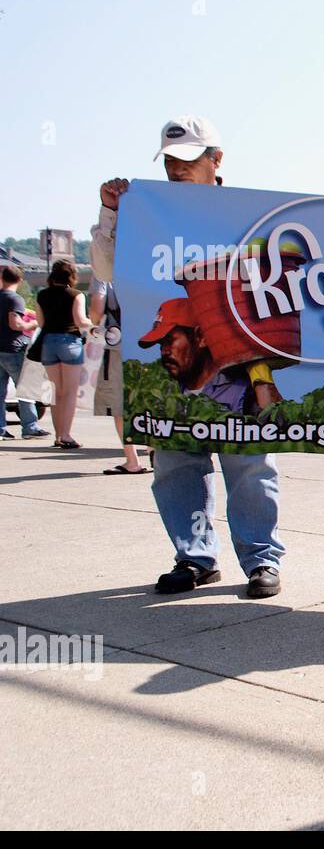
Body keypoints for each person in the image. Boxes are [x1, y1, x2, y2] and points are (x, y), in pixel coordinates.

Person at [92, 115, 284, 599]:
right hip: (174, 366)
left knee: (251, 468)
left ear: (216, 160)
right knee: (176, 467)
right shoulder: (148, 211)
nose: (177, 169)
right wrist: (112, 214)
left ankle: (261, 559)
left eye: (187, 159)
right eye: (170, 161)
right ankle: (195, 557)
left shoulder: (250, 213)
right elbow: (106, 268)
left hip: (238, 368)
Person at [87, 273, 148, 474]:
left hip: (117, 341)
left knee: (119, 403)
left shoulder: (104, 273)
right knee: (147, 396)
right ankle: (155, 447)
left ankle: (132, 460)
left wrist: (95, 323)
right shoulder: (140, 264)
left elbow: (97, 305)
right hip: (147, 339)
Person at [33, 260, 91, 449]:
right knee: (70, 393)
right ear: (71, 276)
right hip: (70, 342)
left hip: (48, 343)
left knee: (56, 393)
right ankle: (66, 434)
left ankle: (59, 435)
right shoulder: (76, 295)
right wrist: (95, 324)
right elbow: (80, 321)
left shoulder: (41, 295)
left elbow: (41, 323)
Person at [0, 266, 50, 440]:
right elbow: (16, 324)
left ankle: (1, 428)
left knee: (1, 392)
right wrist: (34, 323)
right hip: (13, 348)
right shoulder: (15, 299)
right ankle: (30, 426)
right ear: (20, 280)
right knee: (24, 389)